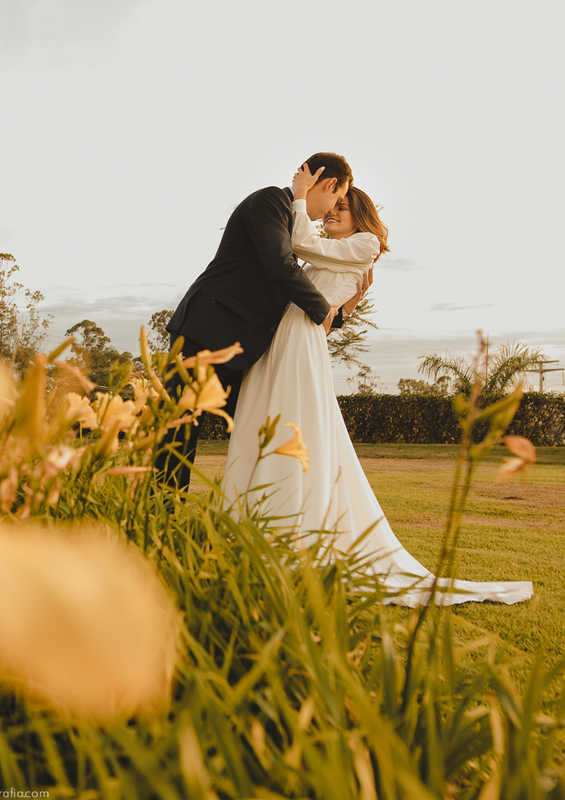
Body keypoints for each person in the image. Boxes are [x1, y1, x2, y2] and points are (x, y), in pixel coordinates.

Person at [222, 169, 532, 606]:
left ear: (359, 218)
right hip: (287, 337)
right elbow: (317, 305)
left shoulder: (363, 245)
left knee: (292, 424)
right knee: (265, 421)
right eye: (332, 206)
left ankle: (287, 533)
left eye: (340, 208)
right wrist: (345, 306)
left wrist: (298, 198)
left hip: (298, 339)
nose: (331, 213)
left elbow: (296, 245)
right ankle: (250, 526)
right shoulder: (334, 250)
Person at [156, 153, 356, 491]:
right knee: (179, 431)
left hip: (244, 348)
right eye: (336, 199)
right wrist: (323, 311)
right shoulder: (270, 201)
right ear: (329, 184)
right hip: (207, 332)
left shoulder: (294, 222)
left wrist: (340, 312)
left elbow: (291, 298)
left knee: (259, 433)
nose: (330, 212)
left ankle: (251, 516)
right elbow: (280, 267)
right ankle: (159, 519)